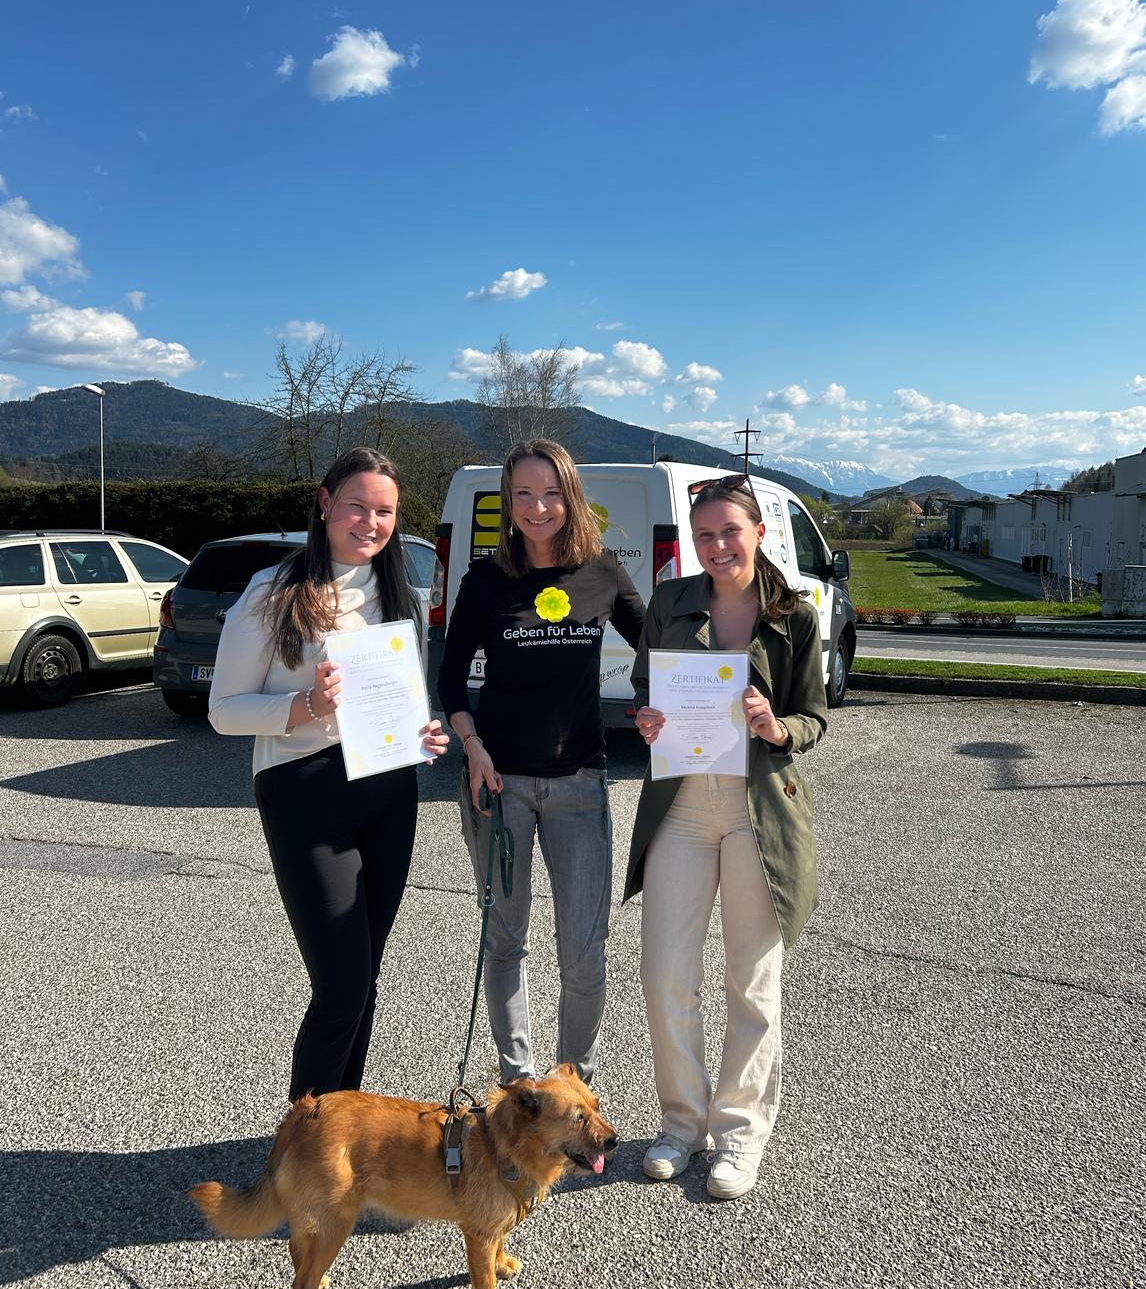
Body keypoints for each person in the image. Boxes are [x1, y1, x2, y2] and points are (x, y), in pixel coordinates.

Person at [209, 446, 450, 1100]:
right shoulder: (273, 591)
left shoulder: (401, 594)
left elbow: (404, 702)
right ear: (325, 504)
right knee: (340, 986)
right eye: (356, 506)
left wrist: (424, 733)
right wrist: (308, 705)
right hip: (304, 789)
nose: (370, 522)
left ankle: (339, 1131)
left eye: (385, 512)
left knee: (365, 980)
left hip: (389, 789)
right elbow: (223, 710)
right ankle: (304, 1139)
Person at [626, 473, 827, 1199]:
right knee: (665, 974)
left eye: (729, 532)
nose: (717, 546)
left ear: (758, 533)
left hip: (756, 811)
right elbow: (647, 688)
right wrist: (648, 718)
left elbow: (814, 717)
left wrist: (777, 727)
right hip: (682, 805)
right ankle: (682, 1124)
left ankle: (740, 1134)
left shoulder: (795, 616)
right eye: (704, 534)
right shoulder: (672, 601)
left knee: (752, 982)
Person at [438, 439, 645, 1086]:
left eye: (551, 492)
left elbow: (660, 648)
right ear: (508, 501)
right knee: (505, 942)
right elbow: (448, 681)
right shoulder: (485, 580)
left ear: (571, 497)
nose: (538, 507)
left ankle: (572, 1086)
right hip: (498, 785)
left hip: (579, 784)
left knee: (583, 955)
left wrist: (665, 702)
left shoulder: (601, 571)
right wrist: (472, 746)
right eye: (523, 494)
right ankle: (520, 1084)